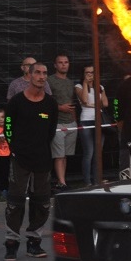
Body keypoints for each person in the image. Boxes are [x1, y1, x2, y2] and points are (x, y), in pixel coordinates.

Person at [3, 61, 56, 261]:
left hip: (42, 159)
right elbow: (8, 127)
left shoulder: (50, 103)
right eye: (38, 73)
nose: (42, 76)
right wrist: (15, 149)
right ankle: (11, 243)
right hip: (19, 160)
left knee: (42, 202)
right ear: (30, 75)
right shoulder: (16, 101)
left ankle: (34, 242)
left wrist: (40, 148)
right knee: (15, 202)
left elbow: (50, 132)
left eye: (45, 73)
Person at [46, 54, 77, 190]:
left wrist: (75, 121)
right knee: (58, 155)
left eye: (66, 62)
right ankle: (62, 182)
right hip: (57, 123)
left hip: (71, 123)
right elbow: (45, 102)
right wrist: (60, 108)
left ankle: (61, 181)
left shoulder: (70, 82)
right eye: (60, 62)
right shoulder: (49, 81)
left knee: (65, 155)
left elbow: (72, 103)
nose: (64, 65)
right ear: (55, 65)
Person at [75, 65, 107, 186]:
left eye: (92, 72)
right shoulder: (78, 86)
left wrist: (91, 104)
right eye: (87, 73)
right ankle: (87, 181)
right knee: (89, 152)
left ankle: (97, 179)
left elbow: (105, 103)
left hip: (99, 121)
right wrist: (85, 83)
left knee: (98, 152)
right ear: (83, 74)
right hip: (86, 120)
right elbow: (83, 100)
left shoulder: (100, 87)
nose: (90, 75)